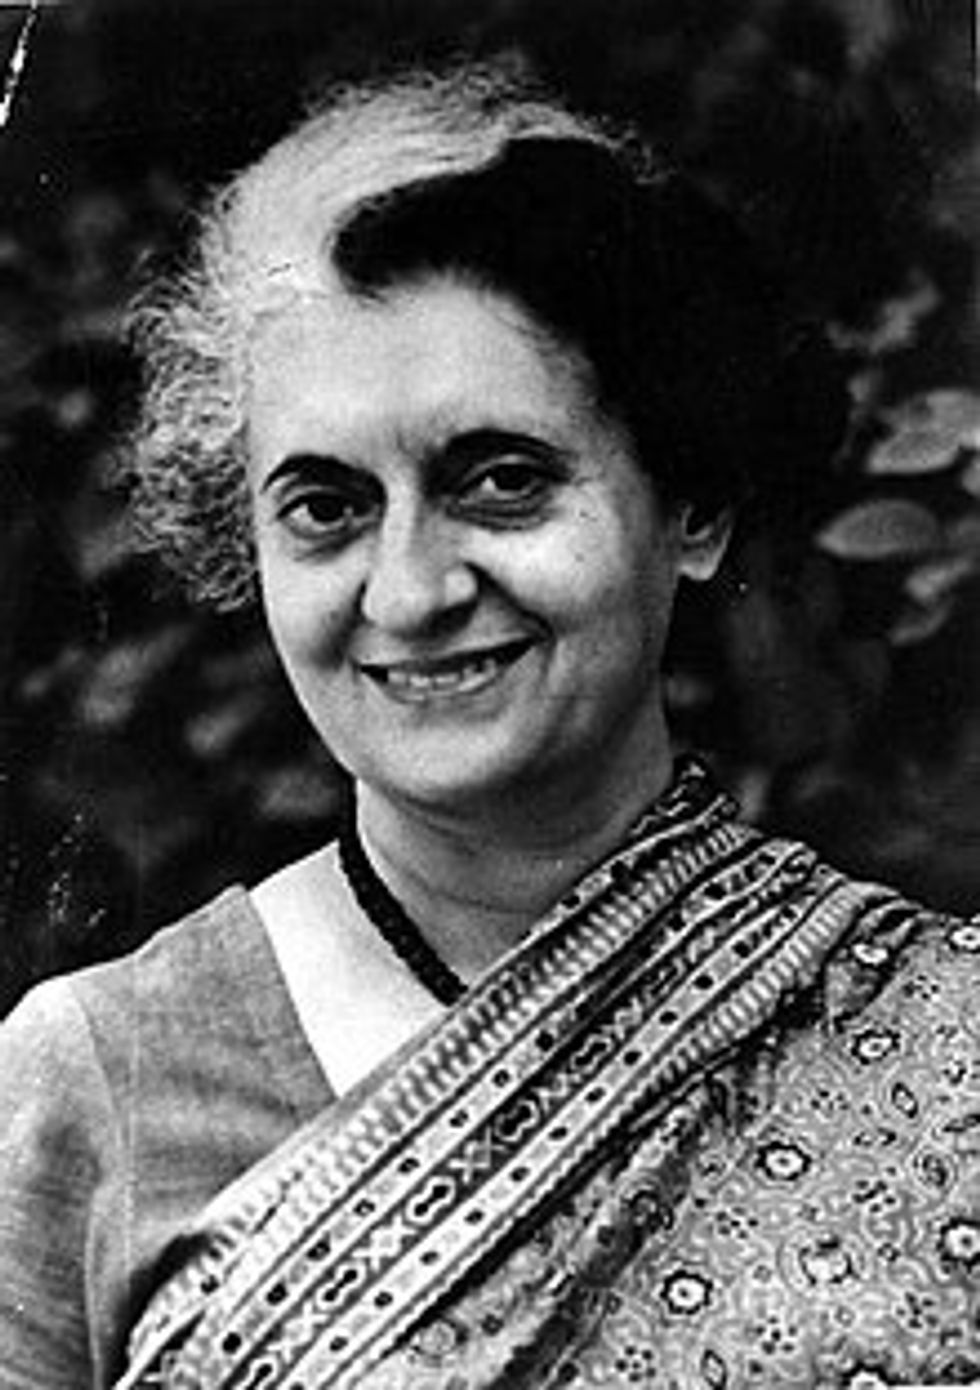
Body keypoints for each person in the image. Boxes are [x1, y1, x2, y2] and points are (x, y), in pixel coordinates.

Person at [1, 56, 978, 1390]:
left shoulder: (939, 1034)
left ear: (692, 504)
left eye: (502, 480)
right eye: (326, 507)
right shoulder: (91, 1085)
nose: (410, 592)